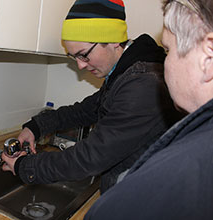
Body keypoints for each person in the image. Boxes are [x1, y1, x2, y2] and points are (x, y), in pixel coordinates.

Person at [2, 0, 182, 193]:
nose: (80, 66)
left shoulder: (143, 84)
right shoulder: (126, 73)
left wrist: (24, 166)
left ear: (113, 40)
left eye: (83, 55)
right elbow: (86, 110)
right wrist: (36, 127)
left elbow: (90, 157)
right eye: (74, 58)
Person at [84, 0, 213, 219]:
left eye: (168, 50)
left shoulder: (192, 162)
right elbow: (86, 108)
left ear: (207, 58)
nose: (164, 64)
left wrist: (24, 165)